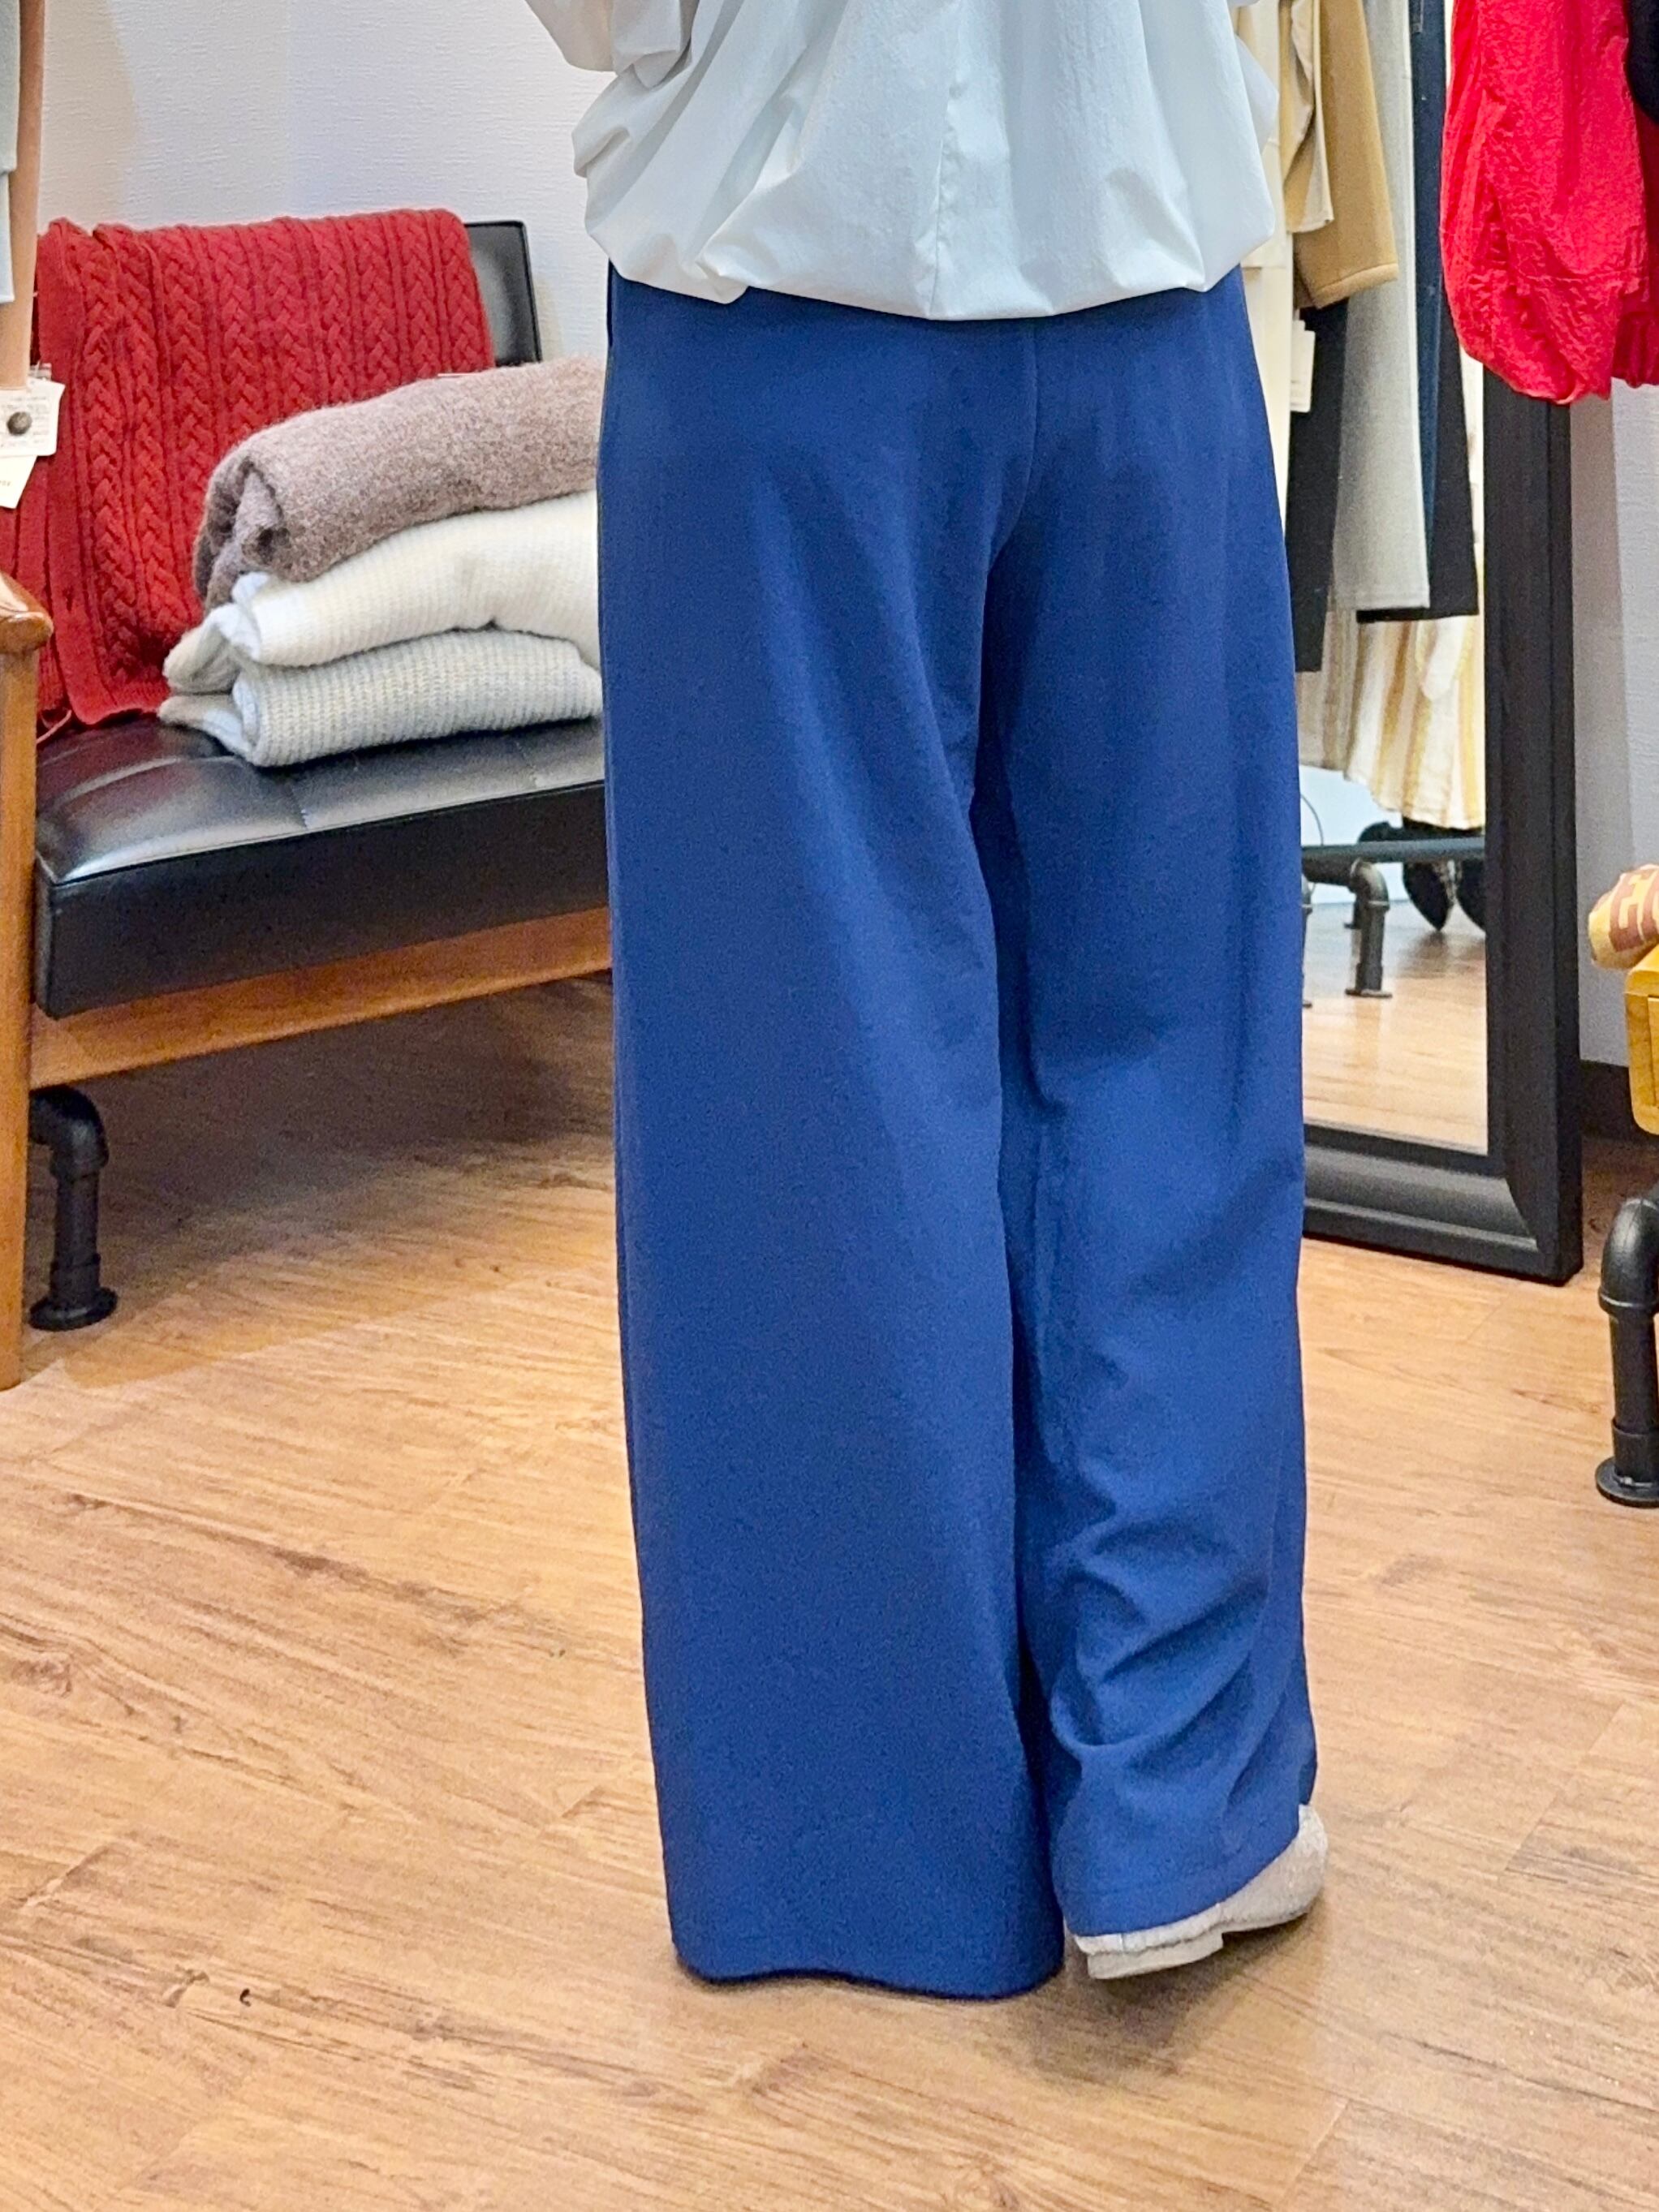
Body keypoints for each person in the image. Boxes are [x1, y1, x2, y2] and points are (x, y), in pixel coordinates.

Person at [528, 0, 1325, 1994]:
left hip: (786, 306)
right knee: (1168, 1061)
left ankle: (877, 1858)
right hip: (1143, 293)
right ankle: (1173, 1800)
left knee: (806, 1103)